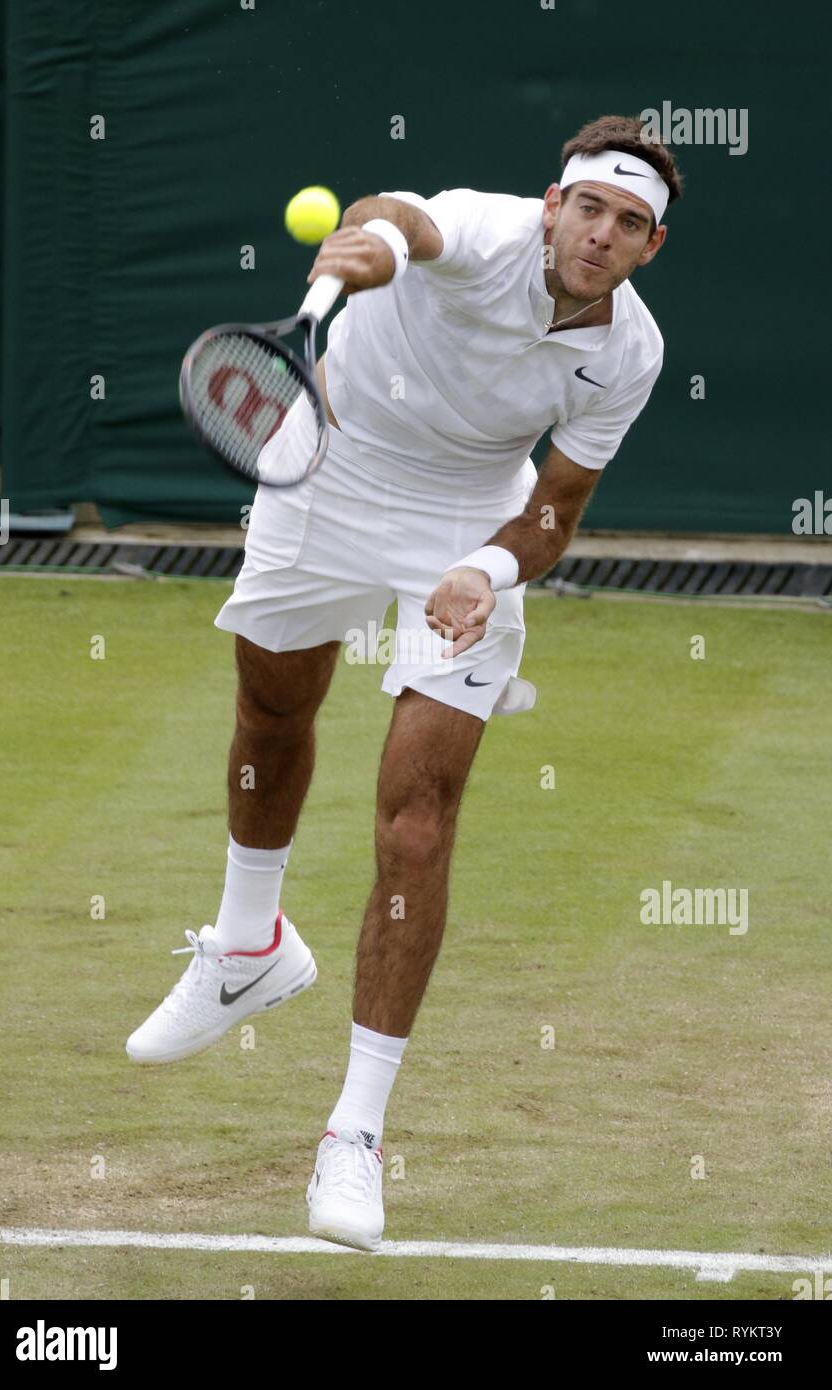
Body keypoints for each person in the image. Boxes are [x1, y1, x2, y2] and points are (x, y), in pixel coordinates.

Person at [126, 113, 681, 1252]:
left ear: (647, 247)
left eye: (630, 223)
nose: (601, 233)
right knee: (271, 708)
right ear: (550, 204)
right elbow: (394, 220)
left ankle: (354, 1133)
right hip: (321, 457)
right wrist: (365, 248)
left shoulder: (627, 351)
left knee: (417, 825)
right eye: (588, 207)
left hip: (465, 514)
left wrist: (484, 569)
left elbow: (552, 511)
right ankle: (247, 947)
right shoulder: (478, 229)